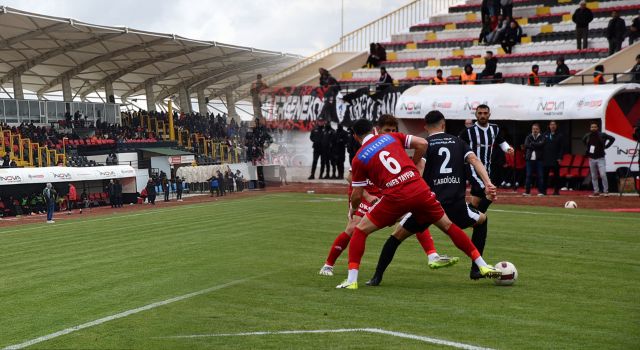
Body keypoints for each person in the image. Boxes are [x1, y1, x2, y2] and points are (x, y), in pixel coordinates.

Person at [335, 119, 502, 289]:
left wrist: (353, 209)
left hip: (395, 196)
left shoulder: (359, 157)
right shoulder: (391, 137)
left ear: (356, 137)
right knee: (448, 226)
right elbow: (422, 143)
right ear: (374, 130)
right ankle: (481, 264)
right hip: (419, 189)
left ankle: (352, 280)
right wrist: (413, 165)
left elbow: (356, 194)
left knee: (361, 230)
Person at [319, 115, 403, 277]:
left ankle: (431, 254)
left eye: (394, 130)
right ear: (376, 130)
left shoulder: (390, 143)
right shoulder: (367, 148)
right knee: (352, 229)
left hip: (384, 195)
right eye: (387, 130)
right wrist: (368, 196)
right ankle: (328, 265)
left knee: (414, 214)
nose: (391, 133)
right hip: (366, 196)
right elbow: (350, 176)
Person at [459, 104, 514, 279]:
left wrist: (508, 148)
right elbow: (458, 146)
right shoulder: (468, 131)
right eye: (479, 113)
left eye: (485, 113)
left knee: (477, 209)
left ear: (489, 114)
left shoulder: (495, 129)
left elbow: (501, 141)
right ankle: (466, 219)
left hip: (487, 171)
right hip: (474, 171)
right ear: (476, 114)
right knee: (489, 195)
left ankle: (465, 217)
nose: (482, 115)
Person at [583, 122, 615, 197]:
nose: (593, 128)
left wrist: (606, 146)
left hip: (600, 158)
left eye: (595, 127)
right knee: (594, 176)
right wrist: (588, 148)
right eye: (592, 127)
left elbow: (612, 139)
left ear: (597, 128)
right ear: (590, 128)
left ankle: (606, 191)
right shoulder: (587, 136)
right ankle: (596, 191)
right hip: (591, 158)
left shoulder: (602, 135)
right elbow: (583, 140)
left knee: (603, 174)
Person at [542, 121, 564, 196]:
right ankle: (544, 191)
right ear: (549, 126)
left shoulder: (560, 136)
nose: (552, 126)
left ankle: (556, 191)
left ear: (556, 126)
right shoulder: (545, 135)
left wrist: (560, 158)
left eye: (554, 125)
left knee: (556, 176)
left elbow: (562, 148)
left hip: (555, 159)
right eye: (551, 125)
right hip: (546, 158)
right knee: (545, 176)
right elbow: (541, 146)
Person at [523, 123, 546, 196]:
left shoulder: (542, 137)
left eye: (536, 129)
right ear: (531, 129)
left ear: (539, 130)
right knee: (528, 175)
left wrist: (532, 144)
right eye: (533, 129)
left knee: (540, 176)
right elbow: (526, 145)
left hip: (539, 159)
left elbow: (542, 145)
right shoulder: (528, 136)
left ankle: (541, 192)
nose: (535, 130)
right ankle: (527, 192)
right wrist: (536, 144)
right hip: (529, 159)